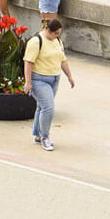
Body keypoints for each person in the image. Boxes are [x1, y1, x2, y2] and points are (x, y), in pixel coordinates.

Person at [24, 20, 76, 151]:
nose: (58, 36)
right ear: (49, 31)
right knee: (48, 108)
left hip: (54, 78)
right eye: (56, 33)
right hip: (39, 79)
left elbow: (62, 59)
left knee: (42, 107)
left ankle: (37, 134)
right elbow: (28, 62)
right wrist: (28, 82)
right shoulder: (36, 41)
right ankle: (45, 137)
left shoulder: (57, 41)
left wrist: (69, 76)